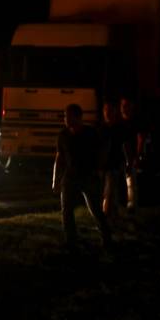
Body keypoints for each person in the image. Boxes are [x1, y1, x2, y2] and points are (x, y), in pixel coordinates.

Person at [53, 103, 112, 251]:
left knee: (95, 210)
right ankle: (71, 241)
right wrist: (56, 179)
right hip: (70, 177)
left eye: (68, 116)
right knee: (66, 210)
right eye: (65, 116)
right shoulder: (63, 135)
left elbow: (102, 151)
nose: (65, 119)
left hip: (88, 176)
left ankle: (107, 238)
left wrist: (99, 170)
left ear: (77, 117)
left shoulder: (90, 133)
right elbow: (59, 158)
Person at [120, 97, 143, 212]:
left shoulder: (135, 121)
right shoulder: (119, 122)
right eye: (122, 105)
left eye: (126, 105)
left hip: (131, 155)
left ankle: (132, 205)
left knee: (131, 181)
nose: (124, 108)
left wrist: (137, 155)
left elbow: (140, 138)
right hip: (119, 156)